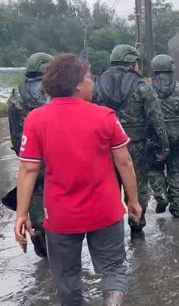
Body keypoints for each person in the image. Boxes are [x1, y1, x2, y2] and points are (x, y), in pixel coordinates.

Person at [13, 54, 143, 305]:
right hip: (105, 210)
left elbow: (28, 169)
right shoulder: (105, 116)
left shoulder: (36, 120)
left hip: (60, 216)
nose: (92, 83)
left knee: (67, 279)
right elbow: (124, 162)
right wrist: (133, 200)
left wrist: (21, 213)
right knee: (114, 269)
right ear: (76, 84)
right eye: (88, 78)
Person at [94, 44, 170, 235]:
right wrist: (164, 146)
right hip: (135, 145)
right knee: (136, 185)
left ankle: (111, 229)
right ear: (132, 63)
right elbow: (156, 118)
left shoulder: (97, 85)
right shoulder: (142, 86)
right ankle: (137, 225)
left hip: (104, 145)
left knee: (108, 186)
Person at [7, 52, 53, 258]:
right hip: (55, 155)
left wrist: (23, 154)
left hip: (30, 155)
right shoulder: (53, 94)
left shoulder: (16, 96)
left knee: (34, 191)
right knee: (55, 191)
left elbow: (15, 135)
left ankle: (37, 229)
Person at [147, 54, 179, 218]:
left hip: (155, 139)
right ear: (172, 69)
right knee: (176, 172)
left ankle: (160, 193)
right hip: (177, 138)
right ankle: (177, 209)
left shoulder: (147, 91)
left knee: (155, 168)